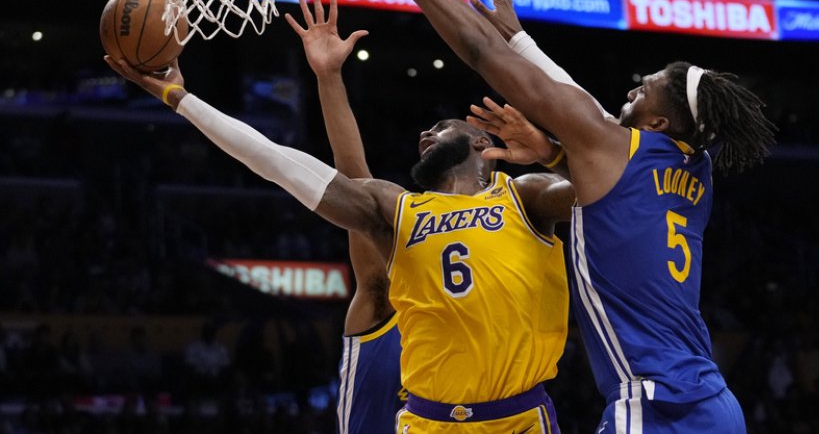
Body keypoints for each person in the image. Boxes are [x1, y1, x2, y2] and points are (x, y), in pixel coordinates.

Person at [331, 0, 777, 433]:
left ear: (657, 123)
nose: (634, 84)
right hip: (714, 401)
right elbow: (591, 127)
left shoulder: (611, 145)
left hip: (657, 404)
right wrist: (548, 137)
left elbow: (481, 53)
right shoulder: (695, 168)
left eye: (647, 86)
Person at [103, 24, 576, 432]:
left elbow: (610, 177)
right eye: (423, 132)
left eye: (439, 126)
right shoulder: (397, 209)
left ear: (480, 140)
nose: (424, 135)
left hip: (518, 417)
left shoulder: (525, 194)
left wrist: (550, 149)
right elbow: (277, 162)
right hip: (427, 420)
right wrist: (179, 98)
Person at [285, 0, 404, 433]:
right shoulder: (386, 295)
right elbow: (354, 177)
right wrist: (329, 77)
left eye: (439, 132)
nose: (428, 134)